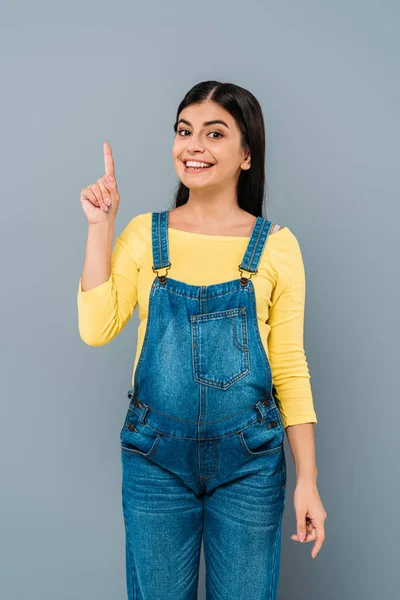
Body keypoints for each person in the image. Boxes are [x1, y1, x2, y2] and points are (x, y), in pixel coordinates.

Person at [77, 80, 327, 600]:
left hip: (251, 462)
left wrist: (308, 480)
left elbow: (289, 367)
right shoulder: (145, 234)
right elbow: (96, 328)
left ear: (246, 154)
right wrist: (101, 227)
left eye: (215, 134)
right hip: (155, 461)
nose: (194, 146)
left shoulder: (277, 247)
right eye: (184, 131)